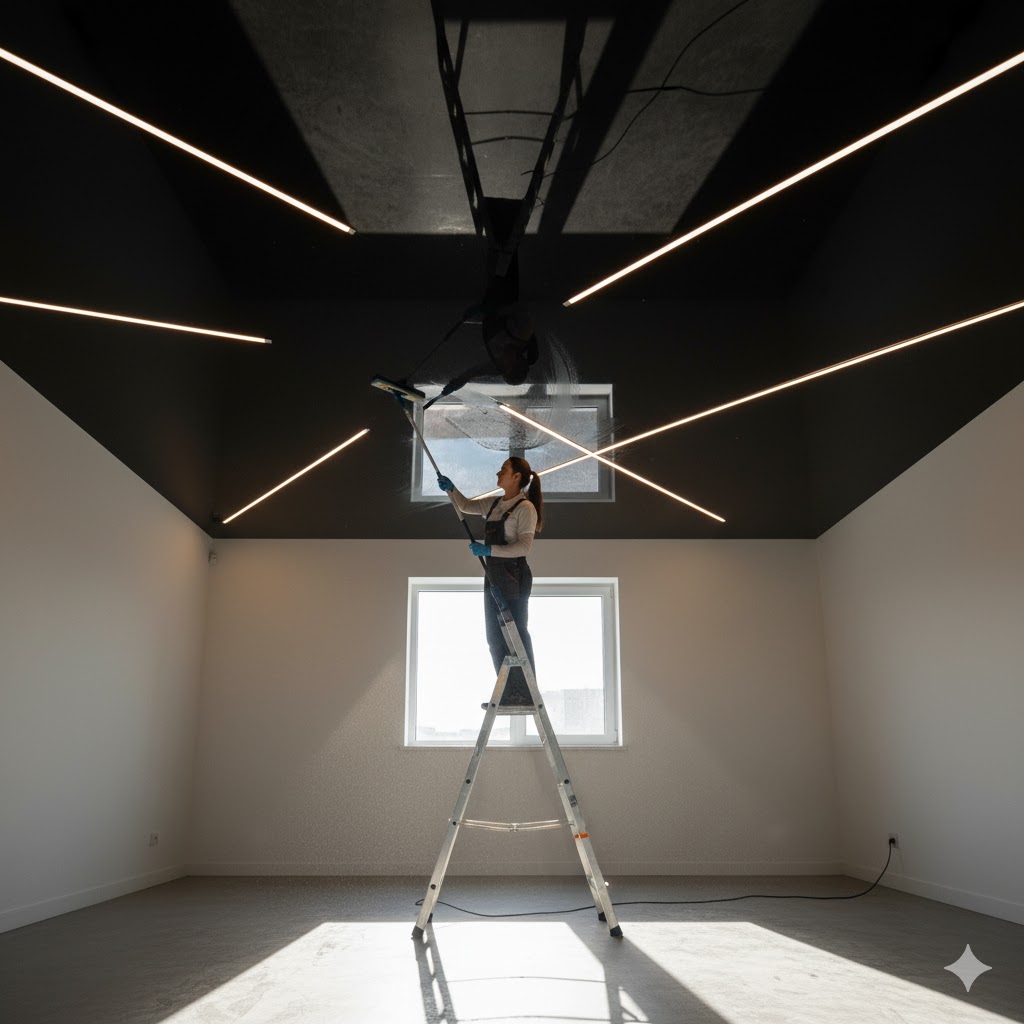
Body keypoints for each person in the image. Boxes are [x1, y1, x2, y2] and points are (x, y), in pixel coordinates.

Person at [437, 457, 543, 705]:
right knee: (494, 637)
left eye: (504, 470)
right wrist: (451, 489)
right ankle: (507, 693)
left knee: (516, 634)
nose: (498, 473)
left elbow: (524, 548)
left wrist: (489, 550)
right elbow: (465, 506)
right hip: (494, 575)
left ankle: (527, 692)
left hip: (514, 577)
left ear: (516, 477)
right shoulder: (495, 504)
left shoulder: (525, 508)